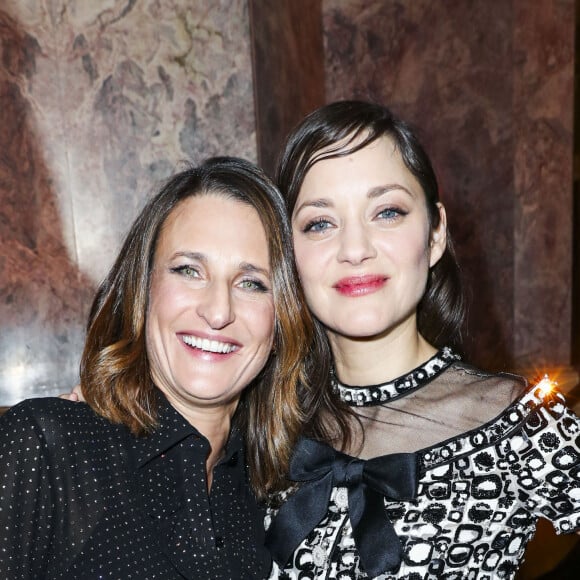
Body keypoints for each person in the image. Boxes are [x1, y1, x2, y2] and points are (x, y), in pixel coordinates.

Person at [264, 101, 580, 579]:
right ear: (290, 254)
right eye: (320, 223)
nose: (355, 250)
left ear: (435, 235)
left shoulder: (521, 422)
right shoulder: (268, 428)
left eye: (386, 212)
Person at [0, 156, 315, 579]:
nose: (218, 311)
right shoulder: (45, 447)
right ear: (142, 290)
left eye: (252, 283)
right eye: (189, 270)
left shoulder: (279, 496)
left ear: (282, 321)